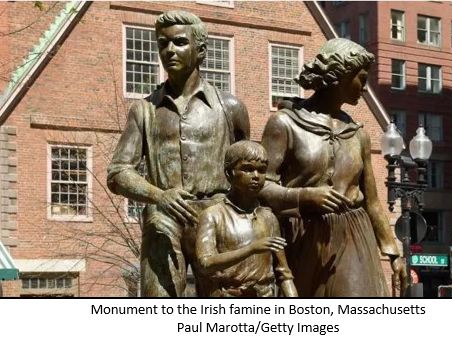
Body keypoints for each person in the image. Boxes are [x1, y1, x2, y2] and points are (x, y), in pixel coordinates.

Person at [107, 10, 249, 297]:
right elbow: (118, 173)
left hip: (218, 219)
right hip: (163, 220)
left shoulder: (230, 107)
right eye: (163, 43)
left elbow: (250, 167)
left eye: (180, 42)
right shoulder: (144, 110)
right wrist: (159, 196)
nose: (169, 50)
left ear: (201, 51)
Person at [259, 38, 407, 297]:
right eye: (361, 78)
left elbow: (371, 201)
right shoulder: (284, 124)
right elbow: (260, 187)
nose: (364, 88)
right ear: (339, 76)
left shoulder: (358, 134)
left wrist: (393, 251)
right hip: (304, 237)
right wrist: (305, 196)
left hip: (353, 234)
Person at [195, 141, 298, 297]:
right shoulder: (212, 215)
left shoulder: (269, 218)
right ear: (229, 174)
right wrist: (251, 249)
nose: (256, 176)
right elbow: (205, 263)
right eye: (248, 169)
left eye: (262, 171)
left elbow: (284, 274)